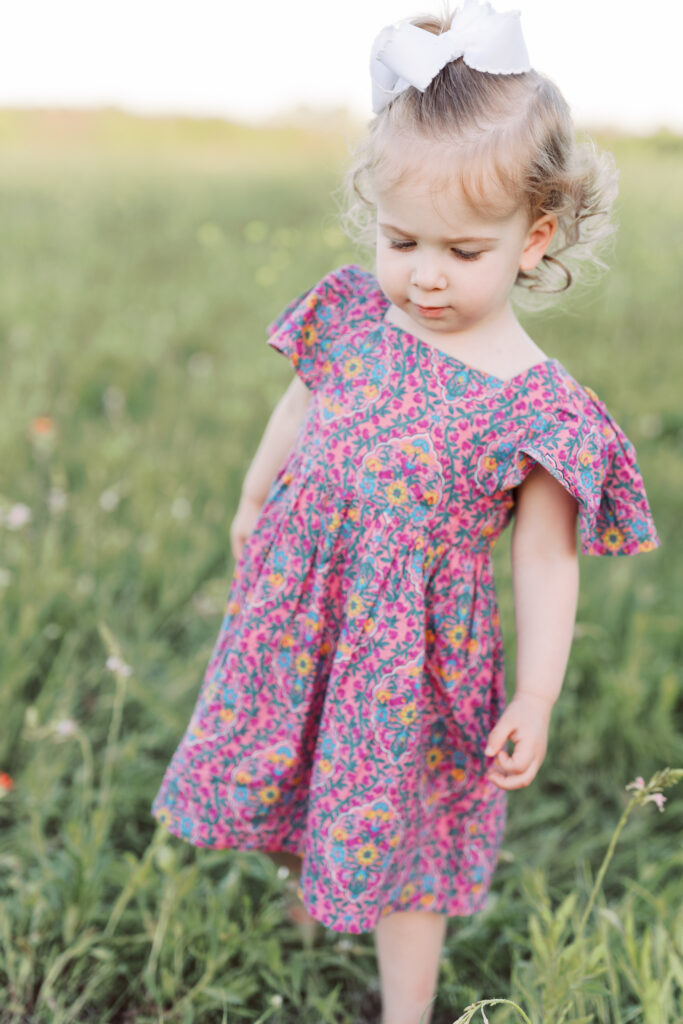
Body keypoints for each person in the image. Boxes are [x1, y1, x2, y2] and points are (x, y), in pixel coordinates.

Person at [151, 2, 661, 1021]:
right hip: (308, 604)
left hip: (415, 652)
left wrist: (537, 694)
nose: (423, 274)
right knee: (302, 755)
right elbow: (299, 405)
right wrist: (255, 501)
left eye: (461, 251)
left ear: (535, 236)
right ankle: (316, 890)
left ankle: (404, 1005)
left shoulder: (537, 405)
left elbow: (546, 560)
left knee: (407, 831)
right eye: (400, 238)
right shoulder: (353, 312)